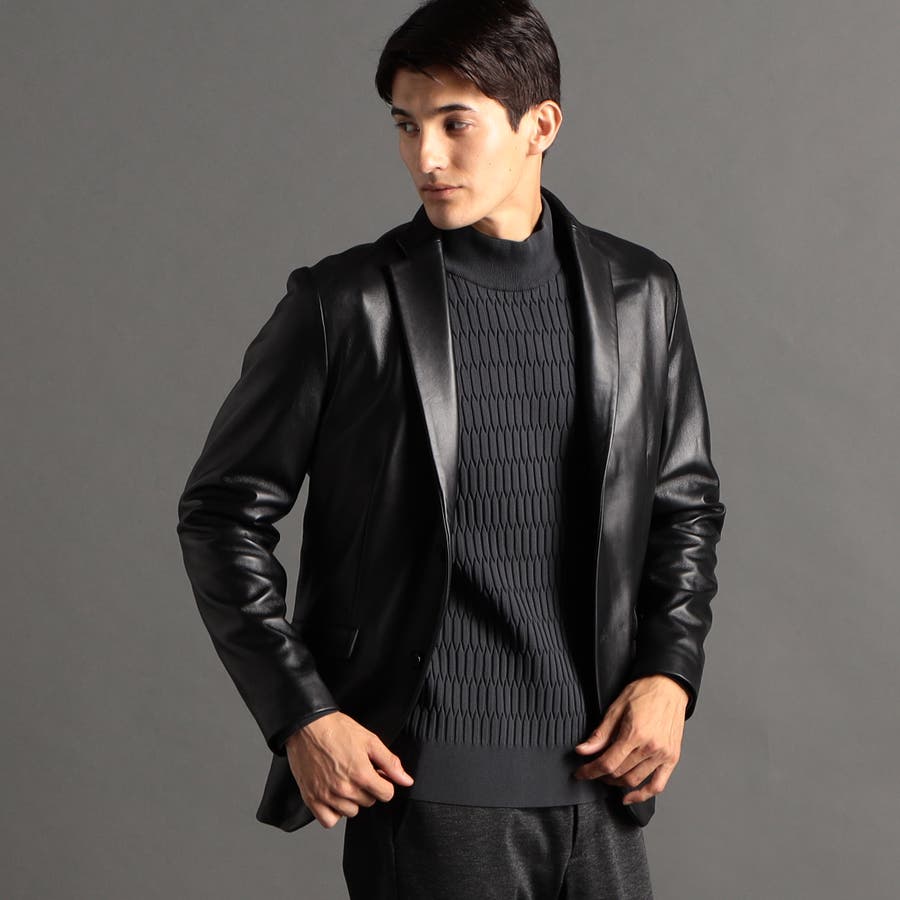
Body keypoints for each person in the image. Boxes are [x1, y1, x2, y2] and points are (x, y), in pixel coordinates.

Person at [176, 1, 726, 896]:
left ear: (540, 125)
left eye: (454, 124)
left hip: (602, 783)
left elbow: (685, 505)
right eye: (406, 125)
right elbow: (221, 513)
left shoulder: (640, 294)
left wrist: (671, 673)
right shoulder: (346, 304)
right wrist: (303, 714)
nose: (424, 156)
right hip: (430, 791)